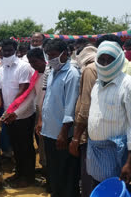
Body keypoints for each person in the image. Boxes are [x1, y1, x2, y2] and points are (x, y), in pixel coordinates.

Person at [87, 40, 131, 189]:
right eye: (102, 60)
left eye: (110, 60)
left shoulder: (127, 85)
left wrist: (129, 163)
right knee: (99, 188)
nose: (105, 64)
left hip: (117, 154)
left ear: (119, 60)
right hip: (95, 152)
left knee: (117, 189)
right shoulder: (97, 84)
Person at [0, 39, 36, 188]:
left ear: (16, 51)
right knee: (15, 146)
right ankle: (19, 173)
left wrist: (11, 110)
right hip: (8, 115)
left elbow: (23, 90)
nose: (7, 53)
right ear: (0, 52)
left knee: (25, 146)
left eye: (10, 51)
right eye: (4, 51)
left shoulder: (24, 67)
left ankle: (29, 176)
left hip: (22, 114)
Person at [41, 39, 81, 197]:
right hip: (49, 132)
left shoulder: (72, 74)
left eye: (54, 55)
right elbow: (49, 99)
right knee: (55, 172)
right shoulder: (52, 71)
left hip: (62, 134)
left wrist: (63, 133)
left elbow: (70, 107)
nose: (51, 59)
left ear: (66, 53)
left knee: (66, 175)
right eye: (49, 56)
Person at [68, 42, 97, 197]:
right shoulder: (103, 67)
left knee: (87, 173)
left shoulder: (89, 70)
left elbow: (85, 105)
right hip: (99, 129)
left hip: (87, 130)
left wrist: (76, 137)